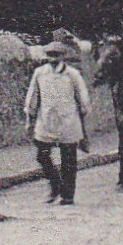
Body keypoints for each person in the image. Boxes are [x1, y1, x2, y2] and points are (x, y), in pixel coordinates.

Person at [25, 40, 91, 205]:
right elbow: (32, 96)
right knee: (42, 155)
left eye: (56, 55)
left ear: (62, 56)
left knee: (68, 159)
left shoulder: (72, 74)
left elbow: (83, 98)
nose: (53, 58)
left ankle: (67, 195)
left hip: (68, 121)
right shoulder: (40, 73)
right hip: (46, 120)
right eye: (50, 55)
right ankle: (55, 183)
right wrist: (29, 119)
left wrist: (83, 114)